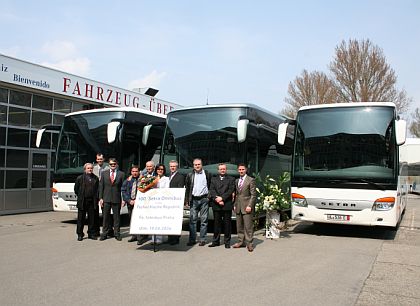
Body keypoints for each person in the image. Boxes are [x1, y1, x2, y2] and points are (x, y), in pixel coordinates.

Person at [185, 158, 212, 246]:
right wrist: (187, 200)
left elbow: (211, 186)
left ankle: (202, 239)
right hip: (194, 199)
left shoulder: (207, 174)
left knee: (204, 221)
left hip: (204, 199)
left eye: (199, 164)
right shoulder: (189, 175)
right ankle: (192, 239)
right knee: (192, 220)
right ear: (193, 165)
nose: (197, 166)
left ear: (202, 165)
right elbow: (188, 188)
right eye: (195, 164)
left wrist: (208, 197)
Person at [208, 163, 236, 248]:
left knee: (227, 224)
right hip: (216, 204)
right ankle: (216, 241)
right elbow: (212, 190)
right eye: (221, 169)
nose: (222, 170)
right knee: (216, 224)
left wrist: (222, 198)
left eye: (224, 169)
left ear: (226, 169)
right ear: (218, 170)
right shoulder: (213, 179)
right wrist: (217, 199)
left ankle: (227, 242)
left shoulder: (231, 179)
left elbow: (231, 190)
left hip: (226, 204)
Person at [99, 158, 125, 241]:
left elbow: (123, 188)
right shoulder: (104, 173)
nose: (113, 165)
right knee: (105, 217)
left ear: (116, 164)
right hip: (106, 198)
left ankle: (117, 233)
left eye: (114, 164)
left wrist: (123, 199)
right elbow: (101, 186)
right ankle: (105, 233)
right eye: (111, 164)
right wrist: (100, 198)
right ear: (109, 165)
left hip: (116, 198)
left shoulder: (121, 174)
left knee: (116, 217)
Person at [233, 163, 257, 252]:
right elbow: (236, 195)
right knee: (239, 226)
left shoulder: (251, 180)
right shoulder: (237, 181)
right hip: (238, 206)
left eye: (242, 169)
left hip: (247, 207)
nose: (241, 171)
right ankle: (240, 242)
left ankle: (249, 244)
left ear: (246, 170)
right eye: (239, 170)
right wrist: (235, 205)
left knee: (248, 226)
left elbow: (253, 195)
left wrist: (250, 206)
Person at [74, 163, 99, 241]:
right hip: (83, 201)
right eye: (88, 168)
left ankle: (91, 234)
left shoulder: (95, 178)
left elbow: (97, 190)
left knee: (92, 219)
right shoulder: (80, 178)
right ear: (85, 169)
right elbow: (76, 189)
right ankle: (80, 234)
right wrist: (81, 196)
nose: (90, 169)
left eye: (91, 168)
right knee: (81, 219)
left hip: (92, 201)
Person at [136, 160, 157, 246]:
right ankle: (141, 238)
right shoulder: (143, 176)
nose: (148, 168)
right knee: (143, 219)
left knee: (153, 220)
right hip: (145, 201)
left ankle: (154, 238)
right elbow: (139, 186)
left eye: (150, 166)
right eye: (147, 166)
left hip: (155, 201)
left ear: (153, 167)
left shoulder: (157, 176)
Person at [121, 165, 141, 242]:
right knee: (131, 220)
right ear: (131, 172)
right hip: (130, 203)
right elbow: (123, 191)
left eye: (136, 171)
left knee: (139, 220)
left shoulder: (142, 180)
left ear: (138, 172)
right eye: (133, 171)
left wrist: (137, 200)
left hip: (139, 203)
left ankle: (140, 237)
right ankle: (134, 236)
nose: (135, 173)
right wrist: (129, 200)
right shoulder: (127, 180)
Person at [167, 160, 185, 245]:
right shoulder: (168, 176)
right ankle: (170, 237)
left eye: (174, 166)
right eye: (171, 166)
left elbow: (179, 190)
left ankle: (175, 238)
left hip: (175, 202)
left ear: (177, 167)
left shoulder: (180, 176)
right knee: (169, 221)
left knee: (175, 221)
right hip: (168, 202)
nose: (172, 168)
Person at [152, 163, 170, 245]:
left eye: (162, 169)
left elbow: (166, 190)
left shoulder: (166, 179)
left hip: (162, 202)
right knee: (153, 220)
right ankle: (153, 239)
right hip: (153, 201)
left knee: (160, 220)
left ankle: (159, 239)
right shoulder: (152, 178)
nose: (160, 171)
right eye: (158, 169)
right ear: (156, 170)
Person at [92, 153, 109, 236]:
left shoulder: (107, 168)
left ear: (104, 159)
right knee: (95, 212)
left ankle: (106, 231)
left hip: (104, 193)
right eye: (98, 159)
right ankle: (96, 231)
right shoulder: (93, 168)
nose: (99, 160)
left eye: (101, 159)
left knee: (105, 213)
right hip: (95, 193)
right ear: (96, 160)